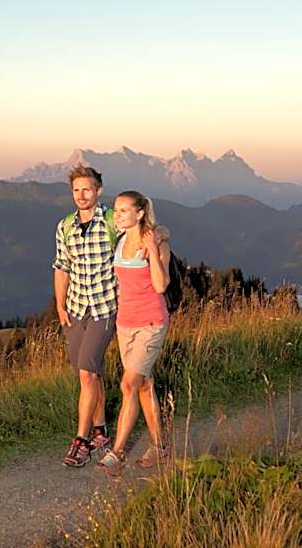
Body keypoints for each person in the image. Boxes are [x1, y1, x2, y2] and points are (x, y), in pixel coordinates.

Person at [96, 191, 171, 475]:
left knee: (128, 385)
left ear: (139, 213)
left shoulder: (156, 242)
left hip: (151, 323)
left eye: (124, 210)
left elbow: (161, 285)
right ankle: (160, 447)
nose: (117, 214)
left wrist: (153, 248)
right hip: (125, 324)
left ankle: (116, 454)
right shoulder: (119, 238)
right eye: (116, 210)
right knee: (143, 385)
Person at [53, 165, 118, 467]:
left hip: (104, 308)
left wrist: (161, 235)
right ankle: (101, 430)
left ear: (98, 191)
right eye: (76, 190)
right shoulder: (64, 226)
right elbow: (61, 266)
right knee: (91, 372)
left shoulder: (111, 222)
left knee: (87, 373)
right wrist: (60, 305)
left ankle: (82, 442)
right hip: (76, 308)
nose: (81, 195)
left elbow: (142, 232)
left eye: (87, 189)